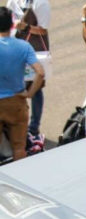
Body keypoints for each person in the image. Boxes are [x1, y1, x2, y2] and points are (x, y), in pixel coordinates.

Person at [0, 6, 42, 161]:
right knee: (19, 147)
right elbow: (40, 72)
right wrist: (29, 93)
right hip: (17, 101)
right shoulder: (23, 46)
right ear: (12, 24)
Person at [8, 0, 48, 151]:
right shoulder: (13, 2)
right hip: (14, 47)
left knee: (36, 89)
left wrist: (26, 27)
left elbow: (43, 30)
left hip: (34, 48)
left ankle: (34, 127)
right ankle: (21, 129)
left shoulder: (41, 4)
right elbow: (6, 21)